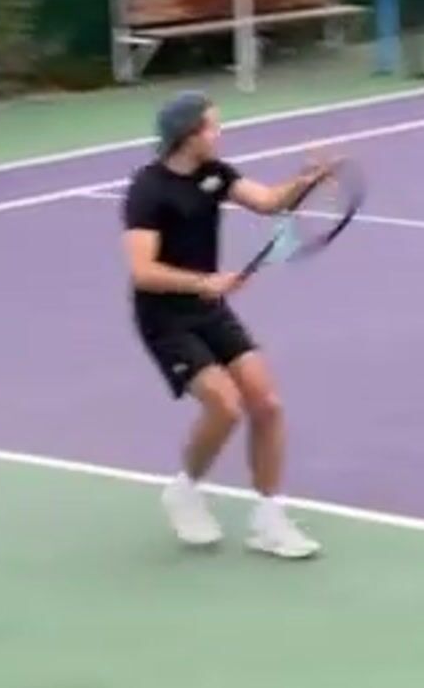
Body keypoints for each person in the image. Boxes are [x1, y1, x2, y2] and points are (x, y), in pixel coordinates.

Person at [122, 90, 329, 559]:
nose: (219, 133)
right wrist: (204, 282)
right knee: (225, 405)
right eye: (212, 126)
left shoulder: (214, 173)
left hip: (209, 308)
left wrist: (308, 178)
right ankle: (184, 491)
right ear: (188, 135)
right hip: (165, 317)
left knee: (267, 405)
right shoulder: (148, 190)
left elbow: (270, 202)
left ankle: (268, 519)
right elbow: (142, 270)